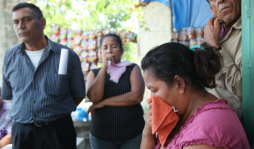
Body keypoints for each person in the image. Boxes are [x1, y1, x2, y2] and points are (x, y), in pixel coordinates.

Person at [1, 3, 86, 149]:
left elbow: (78, 94)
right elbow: (9, 94)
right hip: (23, 133)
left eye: (26, 19)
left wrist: (55, 110)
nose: (20, 26)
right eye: (16, 22)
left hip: (58, 132)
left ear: (42, 23)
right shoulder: (10, 56)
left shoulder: (66, 56)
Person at [140, 42, 250, 149]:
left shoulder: (206, 131)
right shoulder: (179, 117)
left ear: (179, 83)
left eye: (154, 90)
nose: (151, 99)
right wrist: (148, 133)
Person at [86, 34, 145, 149]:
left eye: (114, 46)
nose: (109, 51)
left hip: (133, 136)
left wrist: (104, 103)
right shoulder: (94, 73)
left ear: (121, 50)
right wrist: (104, 68)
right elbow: (94, 98)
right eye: (105, 47)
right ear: (100, 52)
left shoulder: (132, 69)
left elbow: (136, 96)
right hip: (102, 138)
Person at [204, 0, 242, 118]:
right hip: (213, 121)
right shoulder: (214, 32)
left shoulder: (249, 32)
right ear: (212, 10)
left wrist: (215, 48)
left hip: (236, 125)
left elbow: (245, 89)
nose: (220, 0)